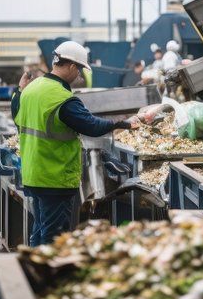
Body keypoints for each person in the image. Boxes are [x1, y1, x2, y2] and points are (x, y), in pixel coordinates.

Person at [12, 41, 139, 246]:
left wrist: (18, 91)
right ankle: (47, 275)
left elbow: (16, 116)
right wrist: (125, 123)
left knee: (41, 229)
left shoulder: (31, 88)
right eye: (79, 69)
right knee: (54, 237)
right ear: (71, 66)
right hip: (55, 177)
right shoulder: (63, 98)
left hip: (33, 174)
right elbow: (91, 126)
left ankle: (31, 269)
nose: (79, 74)